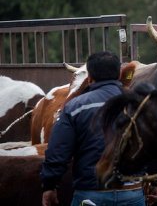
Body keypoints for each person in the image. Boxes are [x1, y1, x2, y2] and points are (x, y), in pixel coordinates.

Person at [40, 51, 147, 206]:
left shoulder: (74, 107)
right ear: (119, 75)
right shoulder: (138, 105)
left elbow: (58, 152)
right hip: (132, 193)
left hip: (91, 195)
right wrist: (155, 181)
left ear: (89, 77)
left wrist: (49, 186)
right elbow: (152, 145)